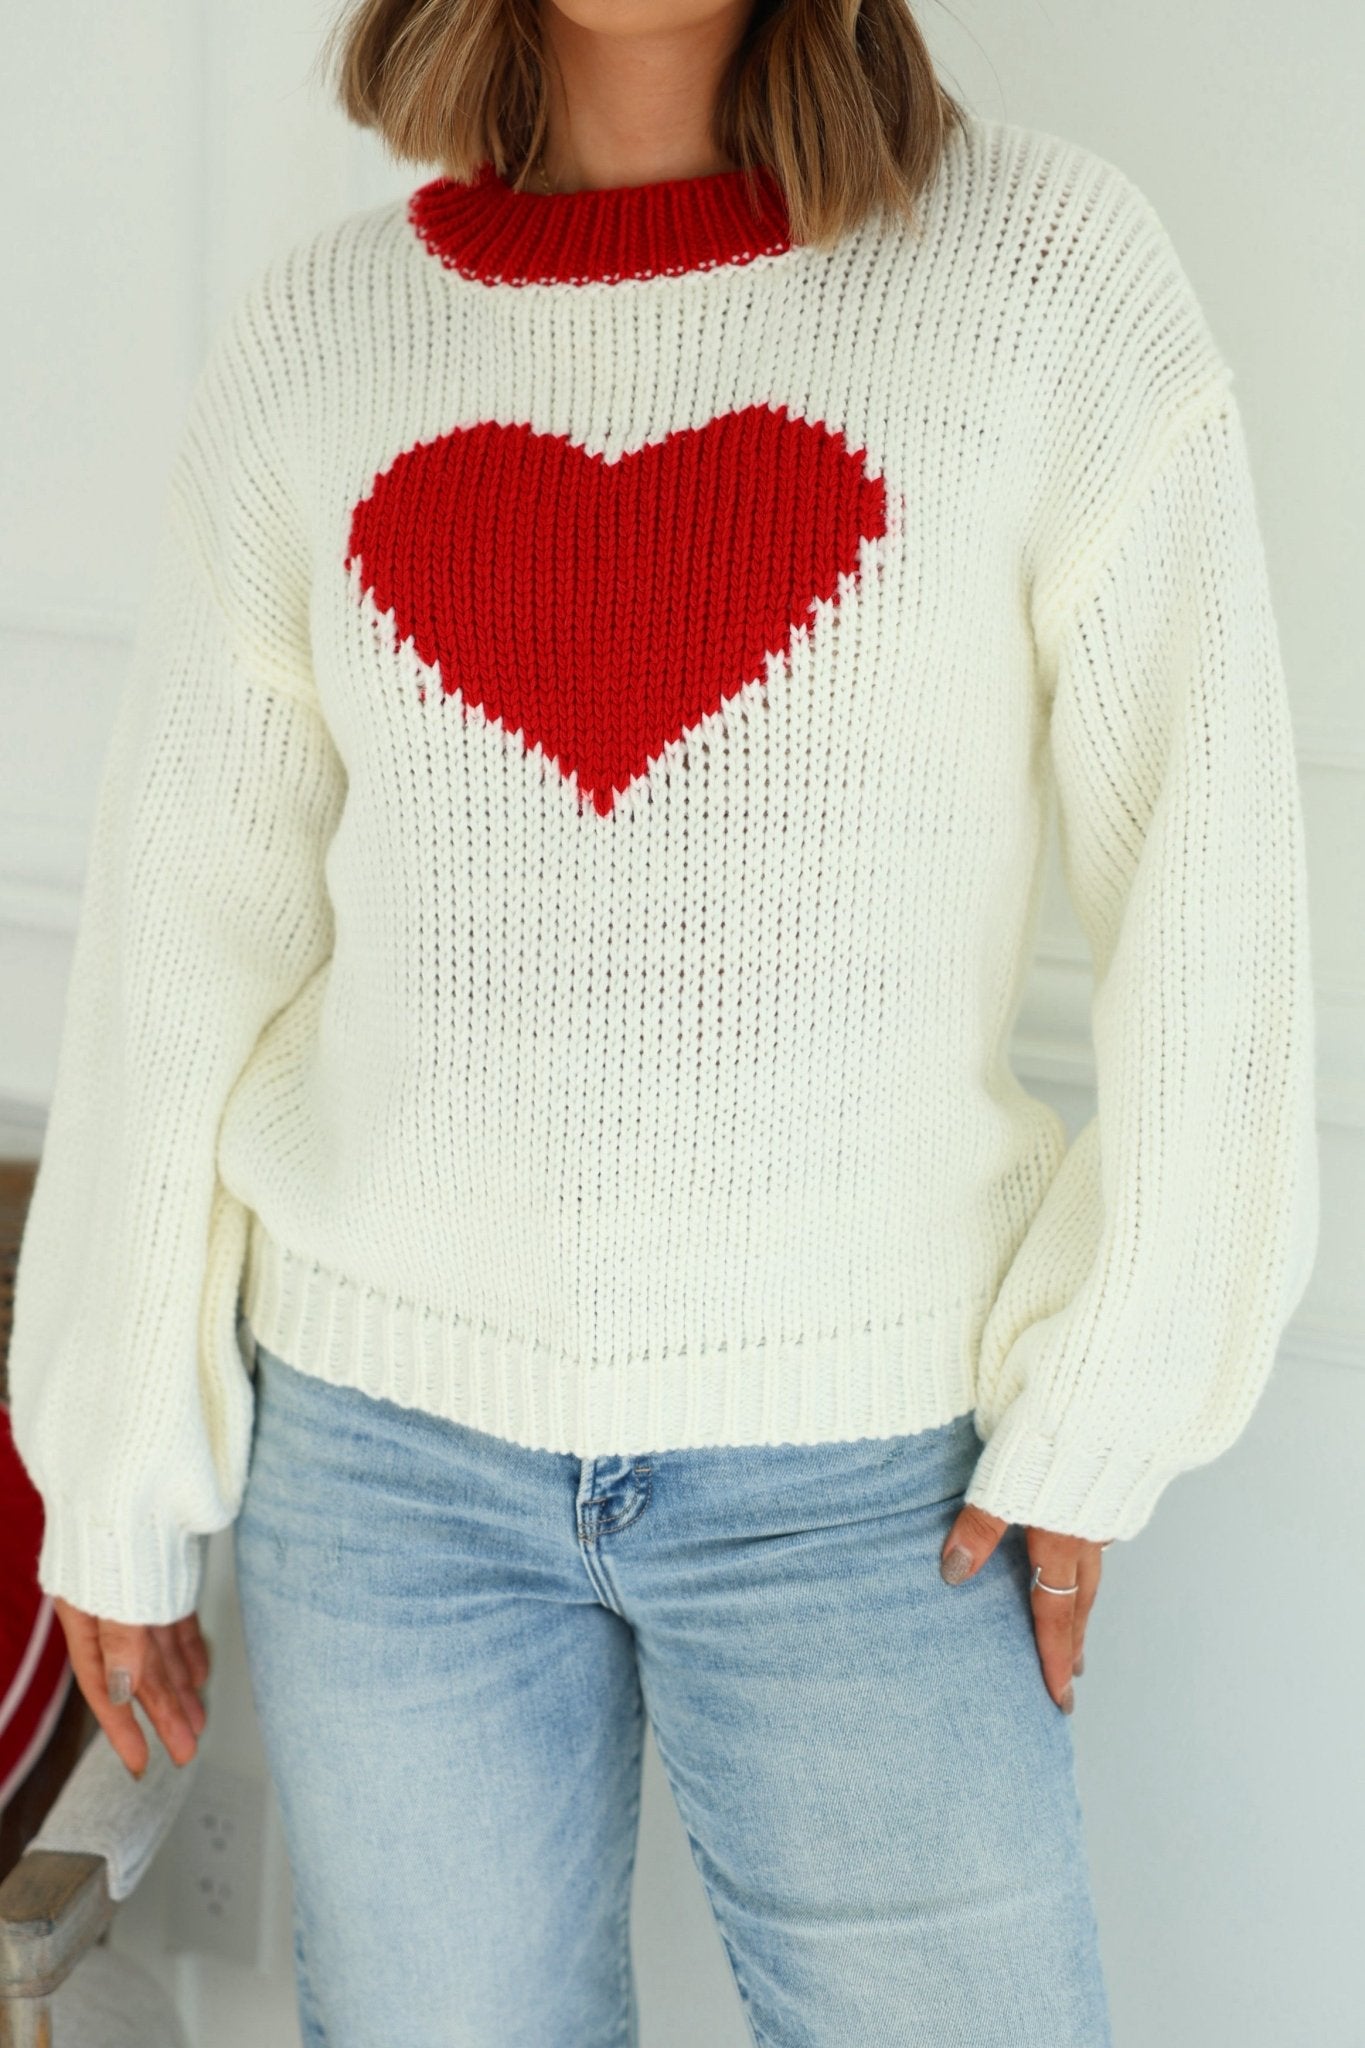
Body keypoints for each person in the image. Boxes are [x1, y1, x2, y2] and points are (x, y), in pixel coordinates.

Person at [8, 0, 1318, 2040]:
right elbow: (188, 925)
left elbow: (1203, 874)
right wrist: (109, 1464)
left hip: (872, 1479)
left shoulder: (1042, 279)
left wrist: (1119, 1381)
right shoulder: (312, 347)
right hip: (384, 1466)